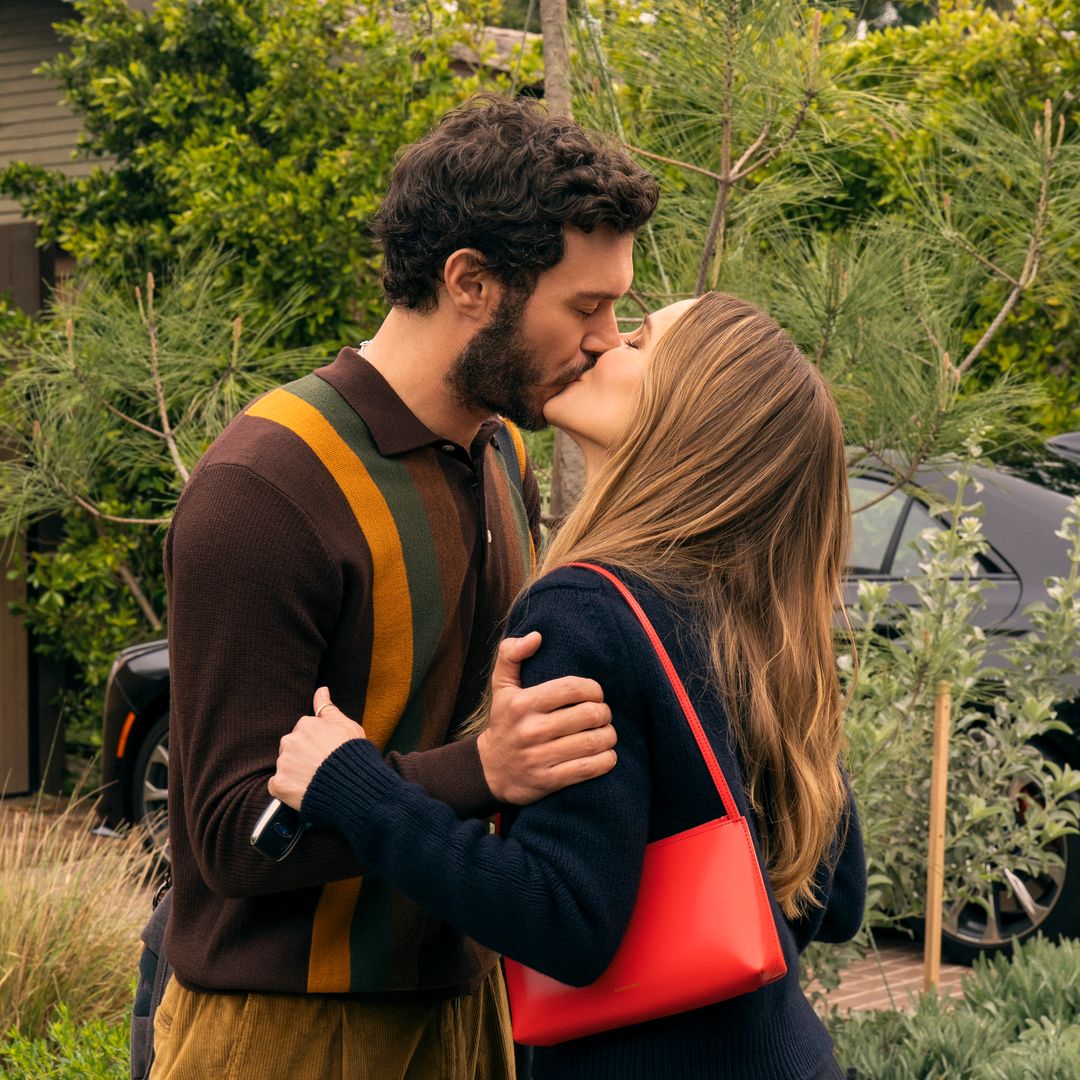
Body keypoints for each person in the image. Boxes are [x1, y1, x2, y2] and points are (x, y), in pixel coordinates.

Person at [152, 95, 660, 1080]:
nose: (605, 340)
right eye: (584, 307)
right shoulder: (265, 487)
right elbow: (231, 833)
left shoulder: (500, 451)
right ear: (473, 282)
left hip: (467, 1012)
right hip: (282, 1031)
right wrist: (483, 772)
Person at [271, 291, 868, 1080]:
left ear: (686, 412)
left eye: (641, 338)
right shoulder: (756, 617)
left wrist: (355, 787)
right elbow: (838, 899)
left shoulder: (587, 609)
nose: (605, 342)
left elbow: (562, 920)